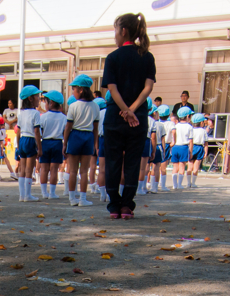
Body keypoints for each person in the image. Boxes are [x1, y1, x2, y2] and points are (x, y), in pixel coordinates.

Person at [101, 13, 155, 220]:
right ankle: (127, 206)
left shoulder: (113, 57)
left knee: (113, 161)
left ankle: (114, 205)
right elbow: (148, 88)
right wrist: (132, 110)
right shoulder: (147, 57)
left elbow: (112, 90)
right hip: (138, 118)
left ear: (123, 31)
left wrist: (124, 110)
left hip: (115, 116)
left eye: (115, 30)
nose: (114, 35)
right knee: (133, 161)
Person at [64, 76, 99, 207]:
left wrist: (65, 143)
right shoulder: (95, 107)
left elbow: (68, 127)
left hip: (75, 136)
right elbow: (95, 128)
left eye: (74, 89)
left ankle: (72, 198)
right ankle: (83, 199)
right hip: (88, 137)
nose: (73, 92)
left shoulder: (73, 106)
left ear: (80, 90)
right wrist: (95, 144)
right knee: (84, 170)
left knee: (73, 170)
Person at [15, 85, 42, 202]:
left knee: (22, 168)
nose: (39, 99)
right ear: (30, 99)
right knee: (29, 169)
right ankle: (28, 195)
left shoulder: (21, 114)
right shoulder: (36, 113)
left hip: (22, 140)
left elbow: (18, 131)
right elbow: (36, 131)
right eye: (37, 96)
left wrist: (18, 145)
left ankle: (22, 195)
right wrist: (39, 147)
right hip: (31, 140)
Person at [38, 91, 66, 198]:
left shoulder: (43, 117)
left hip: (45, 142)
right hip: (58, 143)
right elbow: (65, 133)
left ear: (51, 103)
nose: (44, 104)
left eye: (46, 102)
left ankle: (44, 193)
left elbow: (40, 132)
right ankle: (52, 193)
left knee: (44, 169)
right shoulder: (64, 117)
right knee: (54, 169)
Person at [166, 106, 192, 189]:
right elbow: (191, 141)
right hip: (184, 147)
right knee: (182, 166)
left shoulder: (176, 125)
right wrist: (190, 152)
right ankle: (180, 184)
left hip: (175, 147)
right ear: (188, 116)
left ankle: (174, 185)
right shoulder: (189, 127)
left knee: (175, 167)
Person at [188, 112, 209, 187]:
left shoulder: (191, 129)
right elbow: (206, 143)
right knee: (196, 167)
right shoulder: (203, 131)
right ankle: (193, 183)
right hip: (200, 148)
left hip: (191, 147)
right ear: (201, 122)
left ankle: (188, 183)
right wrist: (206, 152)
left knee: (190, 166)